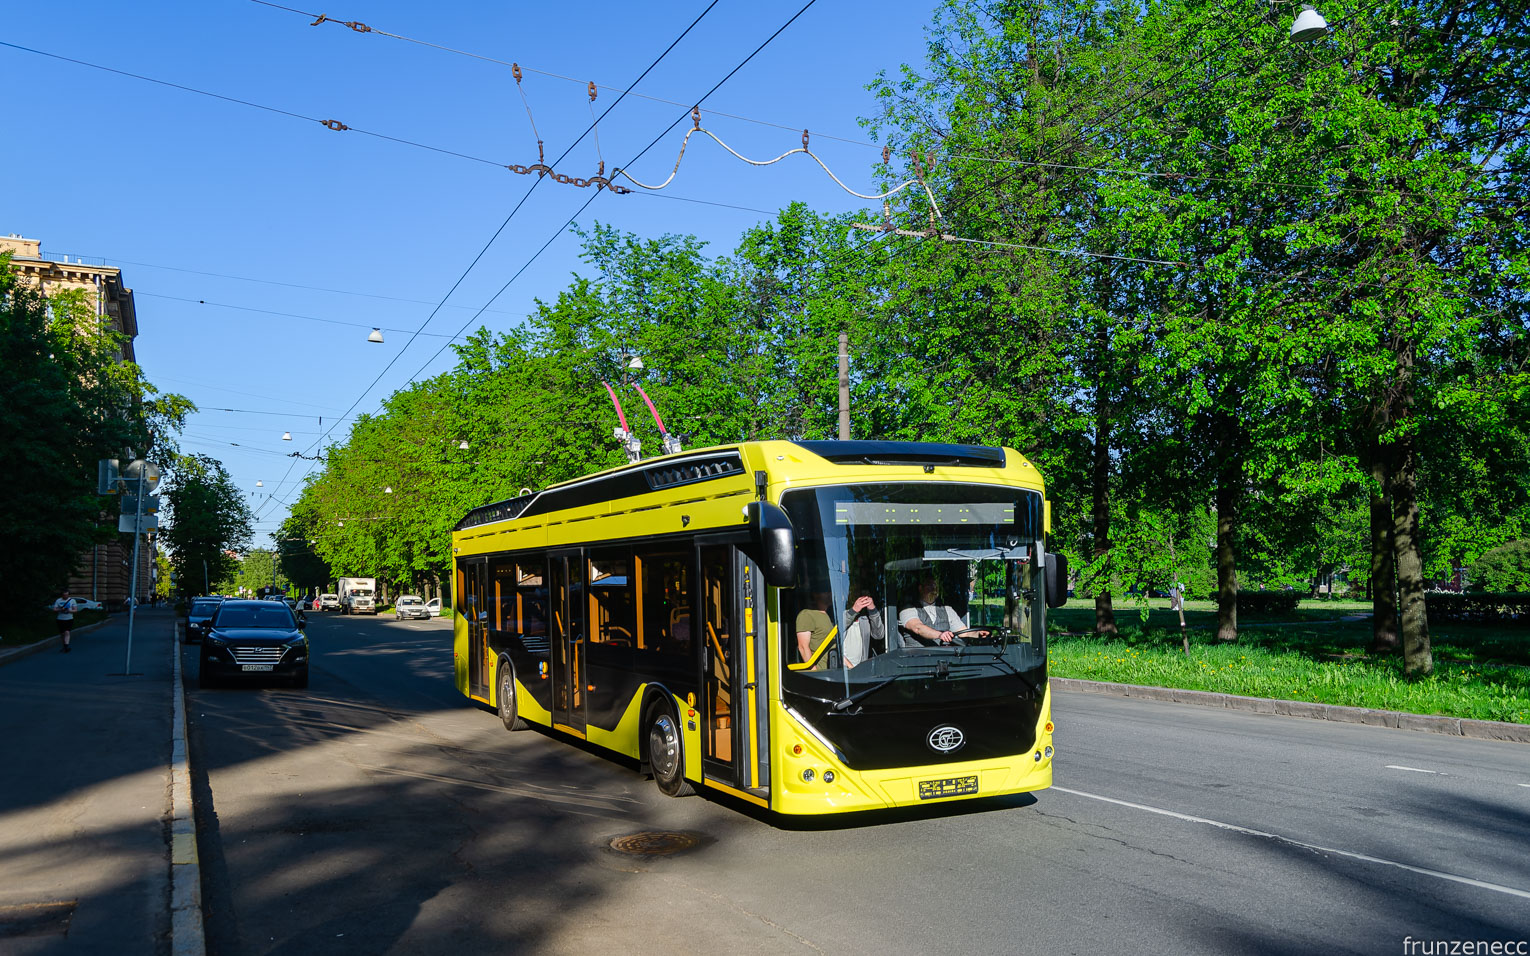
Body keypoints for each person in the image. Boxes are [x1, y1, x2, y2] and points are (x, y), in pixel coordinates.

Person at [898, 573, 987, 646]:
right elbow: (918, 628)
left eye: (936, 586)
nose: (934, 590)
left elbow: (964, 632)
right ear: (920, 588)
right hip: (914, 660)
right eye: (930, 586)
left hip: (943, 657)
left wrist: (978, 634)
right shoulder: (908, 609)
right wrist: (940, 635)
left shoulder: (947, 609)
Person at [840, 591, 884, 667]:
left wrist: (873, 611)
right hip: (841, 669)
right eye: (861, 597)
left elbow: (879, 635)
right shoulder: (838, 614)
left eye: (867, 597)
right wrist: (853, 610)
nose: (864, 600)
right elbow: (837, 628)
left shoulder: (865, 619)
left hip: (860, 669)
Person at [794, 590, 835, 669]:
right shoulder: (806, 614)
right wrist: (813, 670)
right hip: (820, 675)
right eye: (825, 591)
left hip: (833, 671)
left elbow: (833, 646)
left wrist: (850, 667)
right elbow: (803, 646)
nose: (830, 593)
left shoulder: (827, 615)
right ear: (815, 594)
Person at [51, 588, 78, 653]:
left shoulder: (72, 600)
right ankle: (64, 646)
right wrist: (60, 609)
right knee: (62, 634)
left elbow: (75, 610)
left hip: (69, 619)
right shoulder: (58, 600)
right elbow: (54, 609)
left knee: (67, 632)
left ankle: (66, 647)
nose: (65, 596)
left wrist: (69, 610)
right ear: (62, 595)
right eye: (64, 595)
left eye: (67, 595)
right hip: (60, 619)